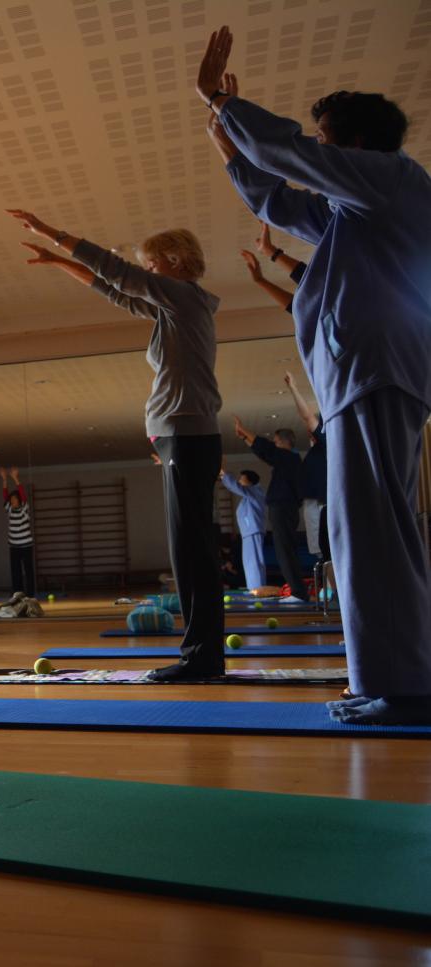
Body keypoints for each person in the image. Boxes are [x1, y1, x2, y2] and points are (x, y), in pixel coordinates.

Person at [199, 26, 431, 723]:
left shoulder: (390, 180)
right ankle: (399, 677)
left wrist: (220, 99)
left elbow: (293, 155)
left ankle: (397, 687)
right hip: (362, 378)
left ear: (356, 146)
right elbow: (278, 200)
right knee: (368, 531)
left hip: (375, 372)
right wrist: (228, 141)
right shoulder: (352, 212)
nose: (320, 152)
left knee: (369, 534)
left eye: (329, 140)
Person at [8, 207, 224, 682]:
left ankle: (201, 658)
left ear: (173, 258)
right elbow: (116, 292)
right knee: (191, 550)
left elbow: (120, 275)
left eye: (152, 262)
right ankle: (202, 655)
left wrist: (54, 232)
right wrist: (58, 261)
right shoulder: (177, 308)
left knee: (191, 553)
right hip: (182, 436)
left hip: (186, 434)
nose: (148, 270)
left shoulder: (183, 296)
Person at [231, 417, 308, 601]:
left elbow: (267, 450)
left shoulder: (289, 458)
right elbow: (267, 452)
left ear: (282, 442)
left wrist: (245, 431)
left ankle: (298, 593)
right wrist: (245, 438)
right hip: (283, 509)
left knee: (285, 551)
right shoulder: (287, 460)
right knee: (284, 551)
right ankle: (298, 592)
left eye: (276, 441)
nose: (274, 444)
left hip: (283, 508)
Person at [284, 372, 329, 561]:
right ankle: (331, 590)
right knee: (322, 553)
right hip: (316, 502)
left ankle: (334, 591)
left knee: (324, 552)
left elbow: (307, 416)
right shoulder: (321, 447)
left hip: (321, 504)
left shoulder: (328, 440)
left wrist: (294, 388)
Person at [219, 468, 267, 590]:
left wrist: (224, 474)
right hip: (248, 532)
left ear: (250, 481)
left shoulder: (255, 491)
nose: (239, 480)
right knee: (250, 563)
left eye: (242, 477)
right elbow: (236, 488)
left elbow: (236, 487)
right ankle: (254, 588)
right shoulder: (249, 495)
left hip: (253, 531)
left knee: (254, 562)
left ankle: (258, 588)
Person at [0, 467, 36, 595]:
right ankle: (17, 594)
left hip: (26, 545)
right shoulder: (9, 510)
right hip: (14, 546)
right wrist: (4, 479)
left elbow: (23, 494)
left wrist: (15, 478)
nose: (12, 501)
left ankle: (30, 594)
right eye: (11, 499)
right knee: (16, 571)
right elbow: (4, 495)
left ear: (19, 500)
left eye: (15, 499)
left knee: (28, 570)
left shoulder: (24, 508)